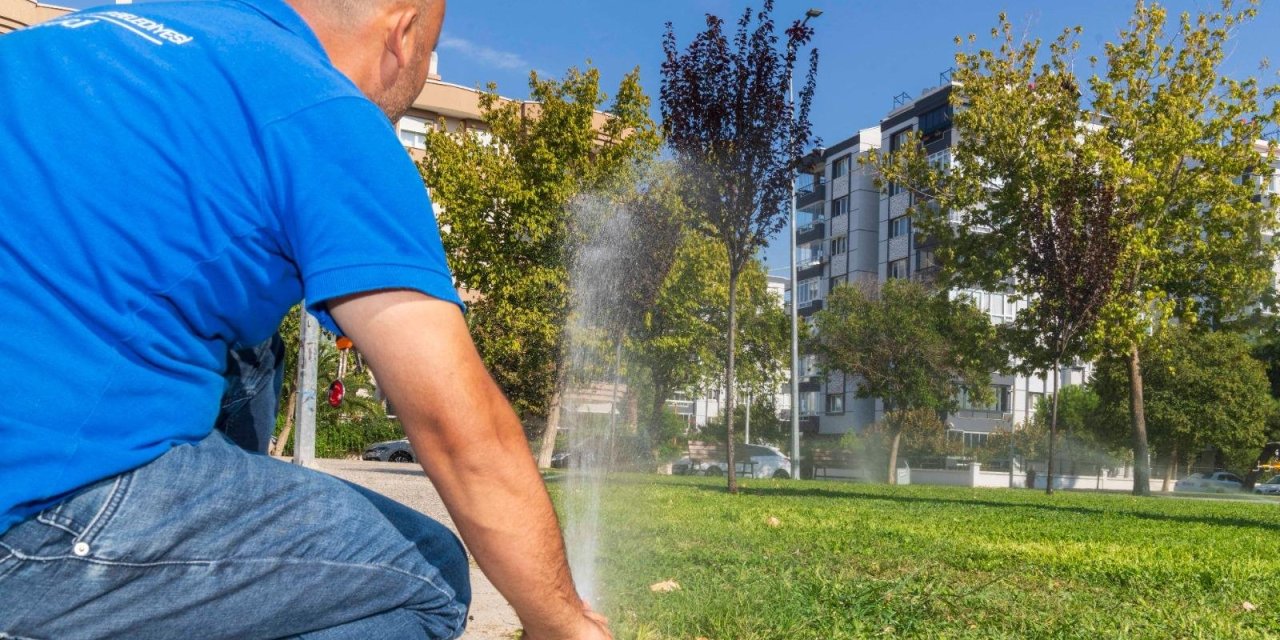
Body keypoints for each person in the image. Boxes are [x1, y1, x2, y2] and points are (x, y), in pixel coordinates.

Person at [0, 0, 609, 638]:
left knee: (254, 350)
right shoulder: (327, 112)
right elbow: (461, 430)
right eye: (430, 56)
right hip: (33, 511)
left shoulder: (83, 35)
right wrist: (561, 623)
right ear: (403, 35)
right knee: (423, 576)